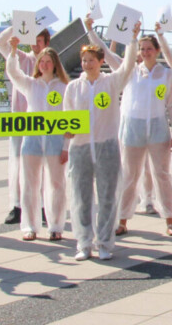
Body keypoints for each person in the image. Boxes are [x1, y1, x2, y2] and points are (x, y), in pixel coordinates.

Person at [88, 22, 172, 237]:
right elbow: (107, 53)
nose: (146, 52)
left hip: (158, 129)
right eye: (142, 48)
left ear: (157, 51)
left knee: (162, 174)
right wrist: (91, 31)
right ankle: (122, 220)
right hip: (132, 129)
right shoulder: (129, 71)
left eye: (150, 48)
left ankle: (169, 219)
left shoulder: (167, 75)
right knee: (130, 175)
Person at [64, 28, 135, 261]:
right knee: (81, 197)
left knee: (107, 196)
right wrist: (67, 140)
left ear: (101, 61)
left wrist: (133, 40)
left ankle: (104, 242)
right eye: (83, 61)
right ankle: (84, 243)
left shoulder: (111, 83)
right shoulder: (73, 87)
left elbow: (127, 68)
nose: (86, 64)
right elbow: (68, 119)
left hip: (106, 146)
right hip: (81, 148)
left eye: (91, 60)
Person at [4, 34, 70, 242]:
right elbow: (13, 73)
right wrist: (13, 52)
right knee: (29, 183)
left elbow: (71, 119)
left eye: (48, 62)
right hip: (32, 140)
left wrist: (66, 146)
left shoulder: (64, 87)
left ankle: (56, 226)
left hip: (55, 141)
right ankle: (30, 226)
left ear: (55, 64)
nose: (44, 65)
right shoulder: (31, 84)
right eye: (41, 61)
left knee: (57, 184)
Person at [0, 24, 51, 226]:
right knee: (17, 163)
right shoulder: (21, 58)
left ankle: (44, 206)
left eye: (39, 41)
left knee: (44, 165)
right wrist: (18, 24)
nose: (35, 45)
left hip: (43, 122)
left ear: (46, 43)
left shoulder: (50, 65)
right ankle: (17, 205)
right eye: (33, 40)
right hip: (20, 119)